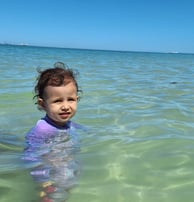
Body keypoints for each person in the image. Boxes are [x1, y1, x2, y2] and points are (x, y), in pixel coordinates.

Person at [24, 62, 82, 202]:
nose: (65, 106)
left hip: (66, 170)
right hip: (50, 179)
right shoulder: (42, 130)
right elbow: (30, 156)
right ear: (43, 104)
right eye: (57, 101)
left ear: (77, 100)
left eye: (71, 100)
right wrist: (44, 180)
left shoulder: (69, 124)